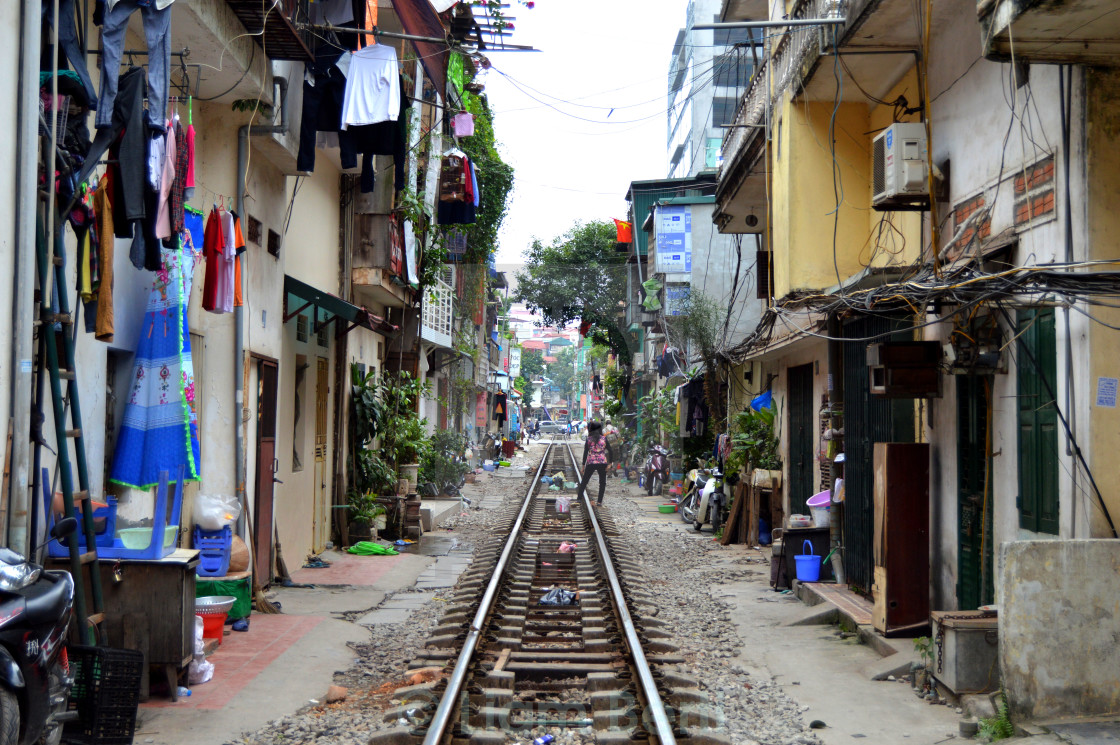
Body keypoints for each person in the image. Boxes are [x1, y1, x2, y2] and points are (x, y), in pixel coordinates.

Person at [578, 420, 614, 507]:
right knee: (602, 482)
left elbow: (585, 453)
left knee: (584, 481)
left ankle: (579, 499)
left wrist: (583, 466)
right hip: (602, 462)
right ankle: (599, 502)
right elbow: (611, 451)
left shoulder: (589, 439)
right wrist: (610, 463)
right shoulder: (604, 439)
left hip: (591, 462)